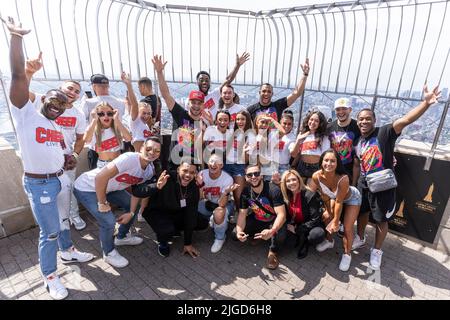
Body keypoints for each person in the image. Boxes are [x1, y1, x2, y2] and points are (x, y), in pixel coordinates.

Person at [3, 17, 93, 300]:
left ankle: (68, 252)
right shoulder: (25, 113)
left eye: (62, 104)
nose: (57, 107)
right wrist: (17, 38)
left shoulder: (56, 126)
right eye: (53, 101)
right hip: (39, 184)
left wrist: (68, 159)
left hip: (59, 180)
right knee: (50, 232)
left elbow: (62, 151)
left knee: (63, 220)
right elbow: (17, 77)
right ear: (42, 100)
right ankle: (50, 276)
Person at [352, 85, 441, 270]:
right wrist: (355, 184)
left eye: (368, 119)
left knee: (381, 220)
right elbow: (357, 163)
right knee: (361, 212)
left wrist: (425, 103)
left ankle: (376, 251)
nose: (364, 122)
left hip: (383, 186)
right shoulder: (359, 141)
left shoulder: (385, 132)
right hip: (364, 183)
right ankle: (359, 238)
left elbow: (407, 119)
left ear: (374, 120)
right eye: (361, 119)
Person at [73, 137, 161, 268]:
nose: (152, 153)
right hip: (87, 187)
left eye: (156, 151)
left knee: (133, 206)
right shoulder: (130, 158)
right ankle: (108, 253)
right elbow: (100, 177)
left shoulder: (149, 170)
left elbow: (136, 194)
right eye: (148, 148)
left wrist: (131, 213)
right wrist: (102, 203)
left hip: (111, 188)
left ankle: (122, 236)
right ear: (142, 148)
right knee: (108, 221)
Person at [25, 52, 88, 231]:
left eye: (76, 91)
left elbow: (81, 138)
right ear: (60, 87)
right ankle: (51, 224)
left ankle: (72, 217)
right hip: (43, 159)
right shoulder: (43, 100)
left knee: (68, 190)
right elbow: (21, 95)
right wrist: (28, 73)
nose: (73, 93)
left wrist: (75, 155)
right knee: (48, 194)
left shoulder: (78, 114)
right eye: (69, 88)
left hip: (66, 159)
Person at [132, 157, 208, 258]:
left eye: (192, 172)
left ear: (195, 174)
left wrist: (187, 243)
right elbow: (138, 191)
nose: (187, 175)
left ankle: (174, 229)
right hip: (157, 211)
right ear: (178, 170)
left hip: (175, 211)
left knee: (202, 222)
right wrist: (156, 186)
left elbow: (191, 213)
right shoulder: (166, 178)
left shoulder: (193, 186)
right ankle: (163, 242)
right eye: (185, 171)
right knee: (167, 230)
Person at [309, 149, 361, 271]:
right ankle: (329, 241)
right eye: (326, 160)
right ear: (321, 162)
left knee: (347, 227)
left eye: (333, 161)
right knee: (327, 217)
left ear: (337, 163)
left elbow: (339, 201)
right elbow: (325, 196)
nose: (329, 163)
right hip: (334, 198)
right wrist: (329, 213)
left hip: (352, 198)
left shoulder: (343, 178)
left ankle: (347, 254)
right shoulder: (316, 176)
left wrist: (337, 220)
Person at [152, 55, 207, 167]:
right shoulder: (181, 114)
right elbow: (166, 95)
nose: (196, 106)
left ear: (203, 105)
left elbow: (199, 149)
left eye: (199, 103)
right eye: (193, 102)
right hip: (174, 165)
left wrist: (201, 169)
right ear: (189, 103)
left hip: (192, 167)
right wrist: (159, 73)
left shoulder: (204, 123)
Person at [233, 164, 287, 270]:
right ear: (246, 178)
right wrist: (239, 231)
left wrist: (272, 230)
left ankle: (273, 252)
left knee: (280, 234)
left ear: (261, 175)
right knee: (234, 234)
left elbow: (282, 215)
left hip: (273, 220)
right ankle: (259, 236)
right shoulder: (245, 192)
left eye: (256, 173)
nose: (253, 177)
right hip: (258, 218)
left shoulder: (273, 189)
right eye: (250, 175)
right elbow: (242, 214)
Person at [79, 72, 133, 168]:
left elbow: (82, 125)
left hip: (96, 148)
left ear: (94, 86)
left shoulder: (87, 103)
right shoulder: (119, 102)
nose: (105, 117)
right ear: (107, 86)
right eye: (100, 114)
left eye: (110, 113)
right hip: (117, 143)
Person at [186, 52, 250, 119]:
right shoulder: (190, 101)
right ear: (197, 82)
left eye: (207, 80)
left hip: (214, 128)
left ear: (210, 83)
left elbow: (228, 79)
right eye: (201, 80)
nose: (204, 82)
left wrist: (237, 65)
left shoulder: (215, 94)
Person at [196, 154, 238, 253]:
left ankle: (220, 237)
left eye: (217, 162)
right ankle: (211, 221)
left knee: (219, 213)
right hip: (207, 202)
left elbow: (222, 204)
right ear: (207, 163)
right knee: (191, 206)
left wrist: (226, 192)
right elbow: (199, 198)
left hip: (223, 204)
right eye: (211, 161)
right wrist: (200, 185)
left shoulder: (227, 179)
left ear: (221, 165)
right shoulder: (202, 174)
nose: (213, 164)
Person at [280, 169, 325, 259]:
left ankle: (306, 242)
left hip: (312, 225)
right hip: (296, 223)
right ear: (284, 184)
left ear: (299, 180)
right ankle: (300, 237)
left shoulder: (310, 195)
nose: (291, 183)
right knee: (288, 244)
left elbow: (315, 219)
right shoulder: (287, 195)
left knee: (316, 235)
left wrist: (297, 230)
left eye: (294, 179)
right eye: (288, 181)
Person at [223, 110, 255, 215]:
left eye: (242, 119)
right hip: (226, 165)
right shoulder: (232, 132)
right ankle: (227, 213)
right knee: (225, 191)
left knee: (238, 194)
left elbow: (246, 160)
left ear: (247, 120)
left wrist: (245, 151)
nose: (240, 121)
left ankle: (240, 214)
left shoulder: (250, 136)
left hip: (239, 166)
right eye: (237, 119)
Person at [83, 102, 132, 169]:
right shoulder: (93, 129)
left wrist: (116, 120)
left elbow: (128, 138)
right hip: (103, 164)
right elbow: (86, 140)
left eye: (109, 113)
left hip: (118, 162)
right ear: (97, 115)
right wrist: (94, 120)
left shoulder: (118, 127)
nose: (106, 116)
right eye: (101, 114)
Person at [291, 110, 330, 181]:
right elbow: (294, 154)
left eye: (316, 121)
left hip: (316, 167)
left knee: (310, 191)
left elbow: (325, 155)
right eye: (311, 119)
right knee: (300, 191)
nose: (312, 122)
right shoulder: (302, 134)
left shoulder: (323, 137)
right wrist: (298, 139)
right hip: (301, 166)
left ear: (320, 123)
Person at [327, 98, 360, 183]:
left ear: (350, 110)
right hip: (332, 170)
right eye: (338, 109)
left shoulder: (358, 126)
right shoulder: (329, 127)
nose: (341, 112)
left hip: (350, 172)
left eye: (344, 109)